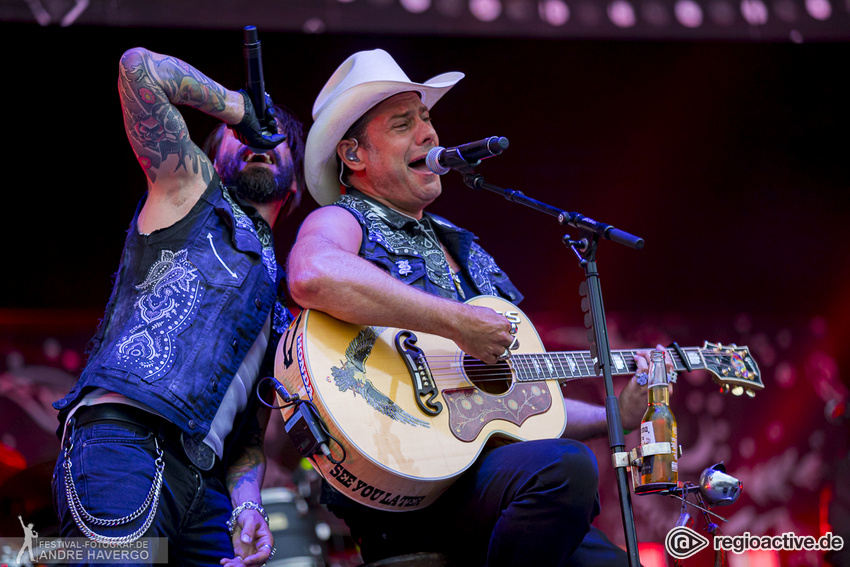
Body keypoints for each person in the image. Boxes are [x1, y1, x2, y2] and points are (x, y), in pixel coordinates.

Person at [286, 49, 671, 566]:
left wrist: (613, 417)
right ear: (354, 155)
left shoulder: (462, 245)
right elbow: (312, 272)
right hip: (407, 483)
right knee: (567, 470)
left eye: (426, 119)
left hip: (493, 481)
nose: (429, 135)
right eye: (404, 124)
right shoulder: (344, 219)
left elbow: (515, 397)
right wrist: (455, 321)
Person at [51, 46, 304, 567]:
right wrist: (239, 107)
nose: (262, 138)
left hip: (205, 487)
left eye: (275, 135)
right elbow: (137, 67)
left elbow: (248, 436)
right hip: (127, 444)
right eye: (247, 135)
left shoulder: (280, 305)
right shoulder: (190, 192)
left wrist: (248, 505)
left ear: (295, 183)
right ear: (213, 159)